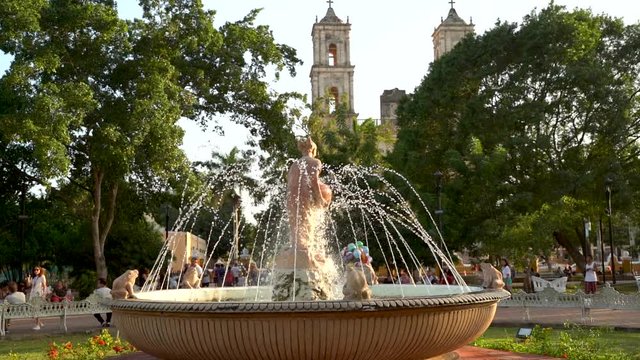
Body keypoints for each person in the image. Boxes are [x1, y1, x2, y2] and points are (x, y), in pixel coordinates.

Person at [29, 266, 47, 330]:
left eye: (37, 269)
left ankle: (37, 325)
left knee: (36, 310)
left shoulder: (42, 276)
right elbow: (31, 286)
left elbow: (44, 286)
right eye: (34, 270)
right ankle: (40, 323)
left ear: (40, 270)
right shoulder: (35, 278)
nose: (35, 271)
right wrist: (29, 280)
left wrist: (44, 294)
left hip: (39, 295)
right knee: (35, 310)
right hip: (33, 295)